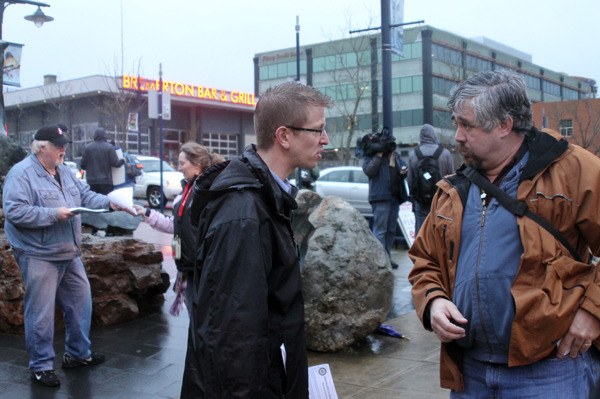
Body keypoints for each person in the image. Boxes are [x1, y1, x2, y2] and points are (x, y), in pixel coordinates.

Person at [408, 70, 600, 398]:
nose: (457, 136)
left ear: (505, 124)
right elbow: (425, 262)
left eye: (467, 125)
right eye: (456, 123)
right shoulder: (453, 189)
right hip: (471, 373)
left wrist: (592, 312)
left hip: (551, 370)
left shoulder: (571, 170)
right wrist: (434, 302)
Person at [180, 81, 332, 398]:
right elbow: (234, 341)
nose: (325, 140)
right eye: (317, 130)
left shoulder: (262, 196)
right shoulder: (243, 214)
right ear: (284, 136)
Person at [2, 125, 130, 388]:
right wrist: (53, 214)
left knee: (81, 303)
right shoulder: (21, 174)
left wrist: (110, 202)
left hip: (68, 252)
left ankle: (77, 355)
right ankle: (40, 367)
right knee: (40, 313)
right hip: (39, 254)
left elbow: (84, 195)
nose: (63, 149)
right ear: (41, 148)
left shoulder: (65, 171)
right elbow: (14, 211)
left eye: (64, 144)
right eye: (57, 145)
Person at [133, 142, 226, 316]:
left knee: (206, 317)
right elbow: (175, 224)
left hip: (205, 268)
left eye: (182, 163)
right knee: (196, 315)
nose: (179, 167)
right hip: (189, 265)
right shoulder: (187, 189)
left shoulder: (208, 190)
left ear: (197, 165)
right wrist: (146, 213)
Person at [362, 137, 408, 269]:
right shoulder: (370, 155)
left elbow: (402, 168)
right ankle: (379, 260)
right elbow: (369, 171)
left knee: (390, 231)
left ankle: (387, 258)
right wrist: (378, 156)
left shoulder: (394, 155)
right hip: (380, 197)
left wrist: (403, 170)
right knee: (380, 230)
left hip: (394, 197)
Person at [407, 123, 454, 234]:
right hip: (441, 200)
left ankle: (422, 251)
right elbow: (452, 177)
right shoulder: (445, 154)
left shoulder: (414, 155)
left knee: (422, 231)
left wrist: (414, 196)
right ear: (434, 135)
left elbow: (410, 180)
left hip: (421, 201)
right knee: (440, 231)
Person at [79, 127, 124, 194]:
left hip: (91, 182)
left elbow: (82, 165)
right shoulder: (109, 147)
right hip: (106, 182)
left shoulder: (87, 148)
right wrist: (123, 160)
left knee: (93, 201)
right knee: (105, 201)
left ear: (95, 136)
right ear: (104, 136)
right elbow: (115, 164)